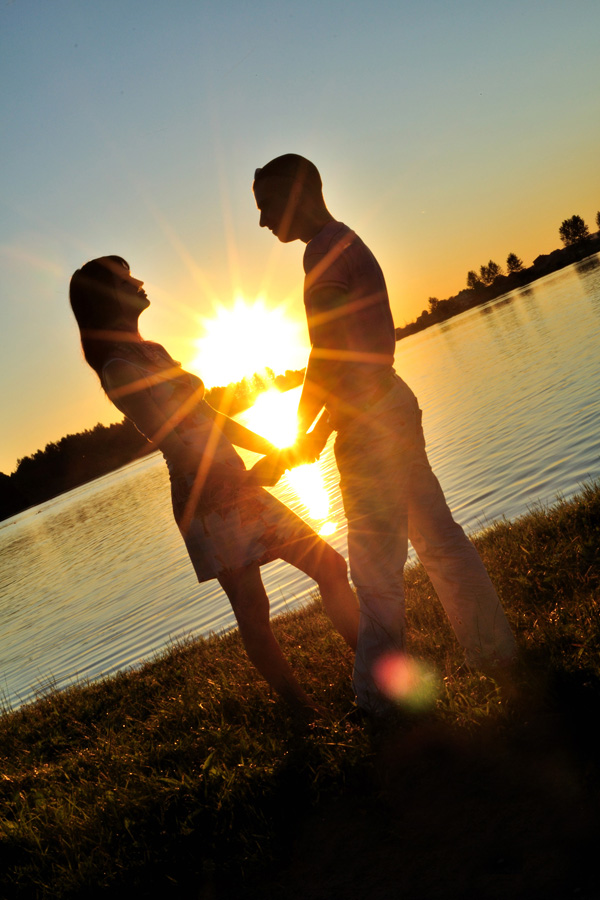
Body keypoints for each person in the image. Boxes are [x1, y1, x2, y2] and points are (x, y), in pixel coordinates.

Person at [253, 154, 517, 715]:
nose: (261, 220)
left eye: (266, 205)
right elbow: (355, 361)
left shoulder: (321, 252)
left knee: (373, 570)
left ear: (297, 194)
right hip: (388, 404)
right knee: (439, 539)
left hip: (373, 423)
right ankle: (497, 653)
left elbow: (328, 355)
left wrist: (300, 432)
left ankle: (378, 704)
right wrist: (317, 434)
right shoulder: (346, 242)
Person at [69, 255, 359, 720]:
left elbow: (212, 418)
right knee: (252, 605)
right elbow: (173, 442)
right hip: (204, 497)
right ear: (109, 298)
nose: (141, 281)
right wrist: (242, 479)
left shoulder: (155, 352)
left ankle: (371, 667)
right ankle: (300, 709)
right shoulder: (120, 367)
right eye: (127, 279)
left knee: (328, 565)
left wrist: (277, 447)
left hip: (234, 484)